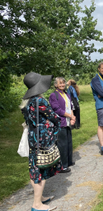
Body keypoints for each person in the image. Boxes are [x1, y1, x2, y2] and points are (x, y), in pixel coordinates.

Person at [20, 72, 61, 211]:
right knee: (41, 168)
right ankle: (37, 205)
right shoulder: (40, 101)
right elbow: (53, 116)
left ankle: (40, 198)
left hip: (33, 138)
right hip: (43, 139)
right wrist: (56, 122)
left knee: (34, 166)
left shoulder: (27, 102)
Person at [49, 77, 76, 173]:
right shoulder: (53, 95)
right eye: (60, 83)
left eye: (63, 83)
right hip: (60, 122)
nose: (62, 85)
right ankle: (62, 166)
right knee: (62, 144)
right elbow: (57, 109)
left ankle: (68, 161)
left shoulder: (66, 94)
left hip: (68, 121)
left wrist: (73, 117)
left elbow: (71, 106)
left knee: (68, 142)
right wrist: (70, 116)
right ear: (56, 85)